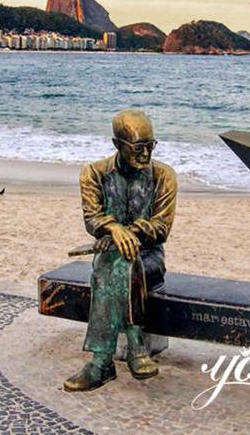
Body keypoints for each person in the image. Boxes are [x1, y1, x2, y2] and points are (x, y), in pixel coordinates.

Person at [64, 109, 177, 392]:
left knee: (112, 265)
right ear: (117, 144)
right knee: (113, 263)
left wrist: (128, 232)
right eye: (138, 148)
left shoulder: (164, 176)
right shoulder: (94, 173)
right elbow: (92, 219)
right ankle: (135, 346)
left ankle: (101, 362)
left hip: (149, 257)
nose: (146, 154)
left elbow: (161, 227)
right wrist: (114, 230)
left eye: (150, 146)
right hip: (110, 252)